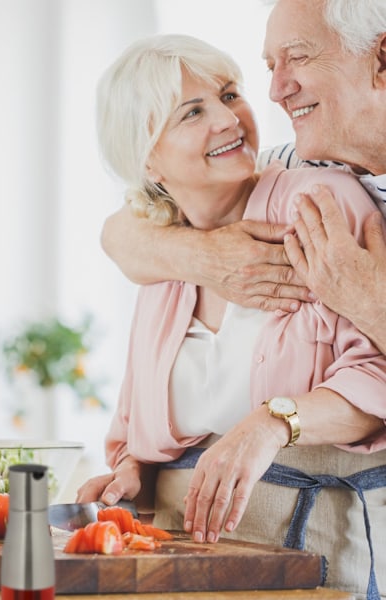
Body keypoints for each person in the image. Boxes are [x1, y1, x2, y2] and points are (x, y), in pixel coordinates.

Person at [77, 33, 386, 599]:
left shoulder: (319, 200)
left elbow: (378, 374)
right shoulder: (160, 260)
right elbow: (132, 432)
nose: (230, 118)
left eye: (229, 93)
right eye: (193, 112)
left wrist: (275, 421)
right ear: (148, 157)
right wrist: (131, 479)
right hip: (187, 569)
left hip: (313, 563)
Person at [100, 0, 386, 357]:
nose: (275, 90)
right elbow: (119, 233)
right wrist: (209, 256)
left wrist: (373, 309)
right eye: (270, 67)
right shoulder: (300, 169)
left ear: (382, 60)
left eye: (298, 57)